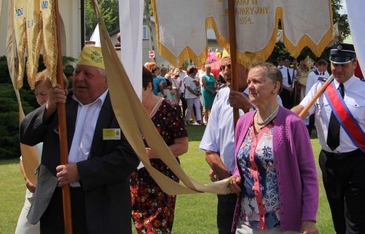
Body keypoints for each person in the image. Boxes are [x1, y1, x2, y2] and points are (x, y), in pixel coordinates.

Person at [19, 45, 139, 233]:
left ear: (106, 81)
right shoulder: (61, 104)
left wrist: (81, 172)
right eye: (77, 72)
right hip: (58, 204)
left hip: (101, 207)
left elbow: (128, 157)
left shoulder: (121, 110)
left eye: (88, 74)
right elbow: (26, 135)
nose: (79, 78)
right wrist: (48, 107)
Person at [293, 43, 365, 234]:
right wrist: (274, 117)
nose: (338, 69)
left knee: (356, 222)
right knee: (338, 219)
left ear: (355, 64)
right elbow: (298, 113)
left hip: (358, 162)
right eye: (334, 64)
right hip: (329, 162)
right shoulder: (320, 89)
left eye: (344, 65)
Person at [227, 62, 319, 233]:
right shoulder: (243, 122)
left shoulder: (292, 124)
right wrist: (236, 177)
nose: (250, 87)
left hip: (281, 224)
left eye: (256, 81)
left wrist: (308, 219)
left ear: (275, 87)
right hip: (246, 222)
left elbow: (309, 175)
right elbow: (241, 164)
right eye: (248, 82)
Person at [131, 67, 188, 233]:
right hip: (136, 181)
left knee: (157, 229)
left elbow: (182, 146)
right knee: (141, 227)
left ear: (149, 86)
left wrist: (152, 153)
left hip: (163, 180)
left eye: (136, 90)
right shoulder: (128, 112)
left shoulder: (169, 109)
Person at [200, 60, 253, 234]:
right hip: (228, 185)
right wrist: (228, 179)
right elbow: (210, 149)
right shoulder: (222, 96)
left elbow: (274, 136)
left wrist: (247, 108)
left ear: (247, 66)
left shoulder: (266, 95)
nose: (225, 71)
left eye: (230, 66)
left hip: (259, 187)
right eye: (222, 68)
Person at [16, 70, 63, 234]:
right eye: (37, 95)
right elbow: (24, 155)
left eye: (43, 94)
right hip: (35, 190)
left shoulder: (66, 117)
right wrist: (28, 179)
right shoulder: (37, 119)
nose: (40, 99)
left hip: (57, 190)